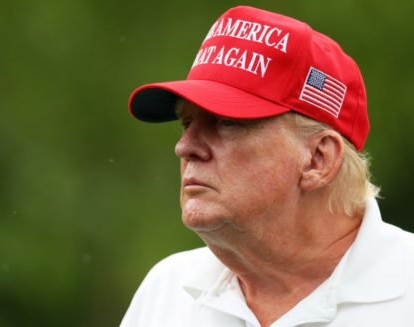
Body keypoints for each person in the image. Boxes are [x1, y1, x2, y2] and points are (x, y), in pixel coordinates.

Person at [121, 6, 414, 327]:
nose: (185, 146)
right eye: (186, 122)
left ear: (318, 159)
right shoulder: (167, 291)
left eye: (227, 121)